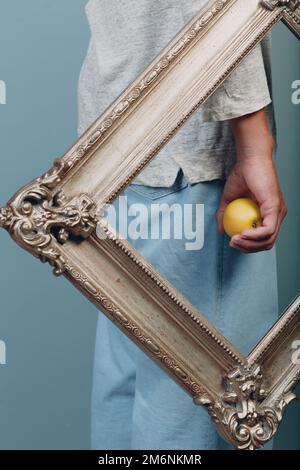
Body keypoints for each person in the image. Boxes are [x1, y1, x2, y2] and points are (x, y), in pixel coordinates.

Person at [78, 0, 287, 450]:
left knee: (133, 382)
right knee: (208, 399)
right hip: (187, 149)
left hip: (111, 148)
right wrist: (252, 143)